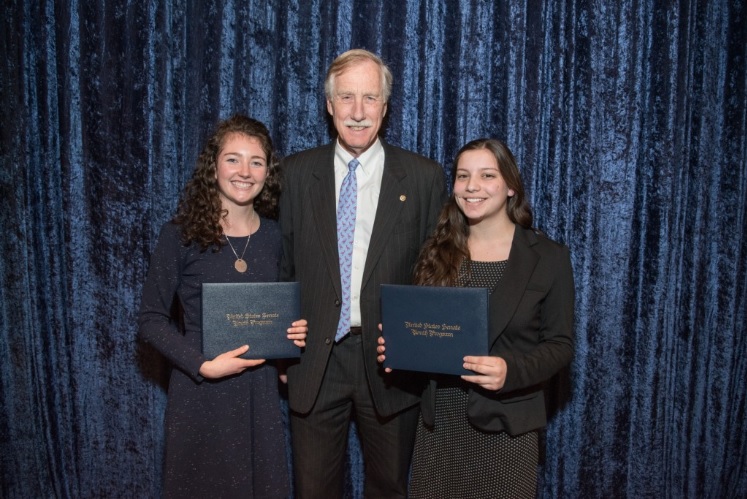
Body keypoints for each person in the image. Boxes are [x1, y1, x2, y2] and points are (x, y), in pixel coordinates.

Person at [279, 49, 447, 498]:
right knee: (313, 489)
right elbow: (282, 266)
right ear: (329, 105)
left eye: (370, 98)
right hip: (316, 360)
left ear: (385, 107)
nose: (358, 112)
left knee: (390, 486)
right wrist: (279, 347)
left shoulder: (423, 177)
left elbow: (436, 272)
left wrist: (420, 345)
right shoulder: (294, 174)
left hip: (391, 362)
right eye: (347, 97)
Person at [377, 138, 575, 498]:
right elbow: (429, 334)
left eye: (487, 175)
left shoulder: (548, 257)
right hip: (439, 430)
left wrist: (510, 371)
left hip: (507, 429)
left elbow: (560, 345)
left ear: (510, 186)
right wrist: (397, 347)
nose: (472, 186)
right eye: (463, 175)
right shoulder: (437, 249)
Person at [138, 114, 308, 498]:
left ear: (269, 173)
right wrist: (203, 366)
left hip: (258, 394)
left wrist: (294, 334)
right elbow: (150, 320)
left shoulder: (277, 237)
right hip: (199, 391)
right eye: (233, 159)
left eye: (257, 161)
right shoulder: (180, 235)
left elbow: (282, 311)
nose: (244, 171)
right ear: (213, 167)